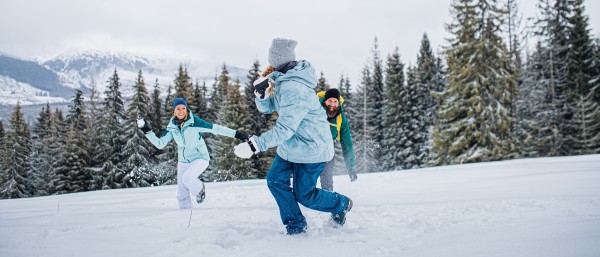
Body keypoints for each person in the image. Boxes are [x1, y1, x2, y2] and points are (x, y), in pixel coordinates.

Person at [233, 38, 353, 235]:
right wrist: (261, 97)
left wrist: (256, 145)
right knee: (275, 180)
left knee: (305, 195)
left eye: (271, 56)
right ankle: (296, 225)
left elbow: (284, 129)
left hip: (311, 149)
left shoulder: (294, 88)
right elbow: (269, 108)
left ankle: (341, 204)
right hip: (292, 146)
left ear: (277, 58)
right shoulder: (283, 80)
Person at [137, 98, 249, 209]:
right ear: (174, 111)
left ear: (186, 109)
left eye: (183, 108)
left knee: (187, 177)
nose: (181, 111)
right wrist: (145, 129)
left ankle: (200, 190)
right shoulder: (172, 127)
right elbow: (160, 144)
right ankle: (185, 215)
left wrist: (238, 134)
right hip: (183, 162)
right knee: (181, 194)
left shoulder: (194, 122)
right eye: (178, 109)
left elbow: (216, 129)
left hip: (200, 158)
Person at [316, 88, 357, 191]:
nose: (332, 104)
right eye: (330, 101)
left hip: (328, 152)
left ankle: (329, 202)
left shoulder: (341, 118)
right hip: (311, 149)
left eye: (335, 101)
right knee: (307, 181)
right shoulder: (314, 110)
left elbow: (346, 143)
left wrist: (350, 167)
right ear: (325, 100)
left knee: (327, 182)